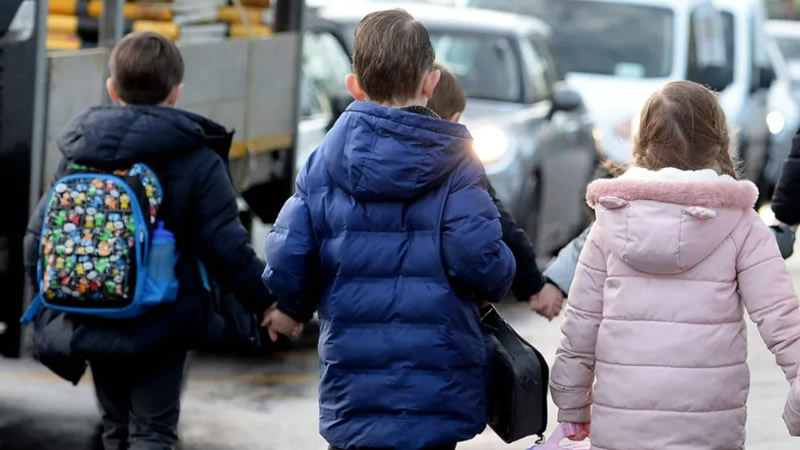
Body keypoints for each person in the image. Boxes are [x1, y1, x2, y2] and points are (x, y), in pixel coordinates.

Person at [261, 9, 516, 450]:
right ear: (431, 83)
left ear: (353, 85)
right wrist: (505, 270)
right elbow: (480, 260)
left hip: (354, 382)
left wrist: (293, 307)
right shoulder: (458, 163)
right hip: (436, 381)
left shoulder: (323, 161)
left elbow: (288, 257)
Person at [23, 31, 273, 450]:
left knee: (115, 429)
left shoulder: (80, 150)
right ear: (176, 93)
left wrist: (49, 299)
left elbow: (39, 234)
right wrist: (270, 301)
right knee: (152, 432)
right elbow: (226, 245)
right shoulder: (196, 156)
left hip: (94, 308)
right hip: (164, 318)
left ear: (111, 88)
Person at [550, 80, 800, 448]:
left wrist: (571, 405)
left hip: (622, 428)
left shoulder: (609, 224)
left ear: (642, 141)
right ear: (720, 139)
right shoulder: (741, 225)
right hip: (708, 428)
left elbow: (580, 326)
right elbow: (783, 319)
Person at [427, 62, 562, 319]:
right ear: (454, 120)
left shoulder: (362, 157)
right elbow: (500, 228)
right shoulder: (458, 166)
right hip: (443, 318)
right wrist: (533, 285)